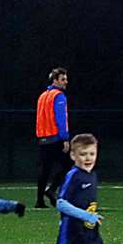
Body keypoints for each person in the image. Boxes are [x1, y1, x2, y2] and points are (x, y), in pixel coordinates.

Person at [35, 67, 70, 208]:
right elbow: (61, 118)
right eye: (63, 79)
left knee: (45, 169)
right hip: (55, 138)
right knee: (69, 164)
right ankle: (52, 190)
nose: (66, 82)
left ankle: (39, 200)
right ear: (55, 80)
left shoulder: (43, 96)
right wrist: (65, 138)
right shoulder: (59, 96)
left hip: (43, 137)